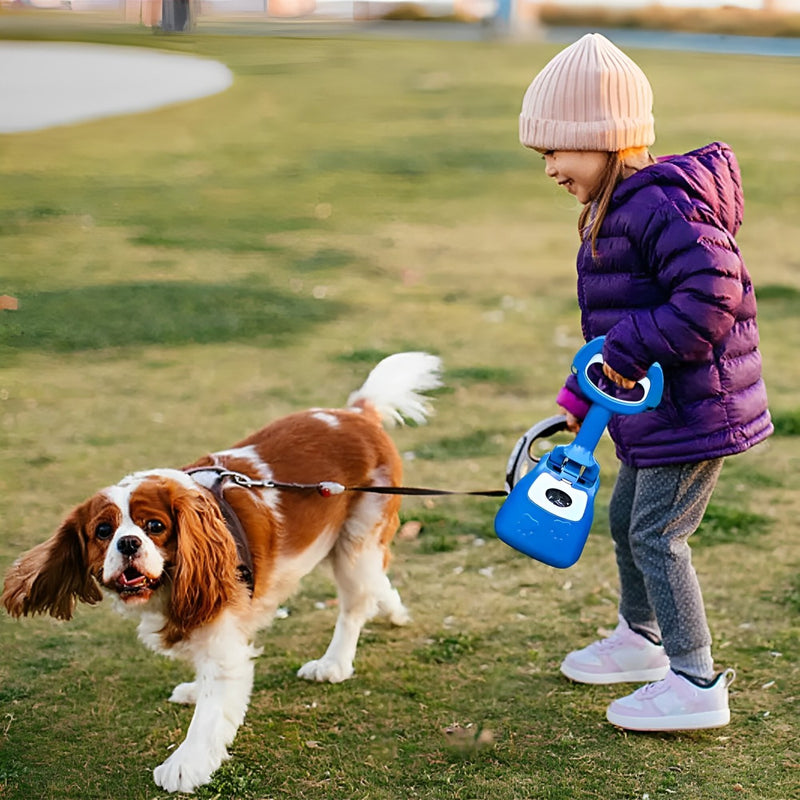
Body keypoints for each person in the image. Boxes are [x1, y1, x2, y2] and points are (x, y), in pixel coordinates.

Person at [518, 33, 773, 731]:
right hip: (655, 411)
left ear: (604, 139)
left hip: (695, 410)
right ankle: (642, 638)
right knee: (627, 520)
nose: (548, 170)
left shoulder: (661, 206)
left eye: (553, 151)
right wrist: (580, 397)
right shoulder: (617, 209)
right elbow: (618, 325)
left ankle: (696, 682)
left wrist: (629, 350)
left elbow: (713, 293)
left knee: (658, 535)